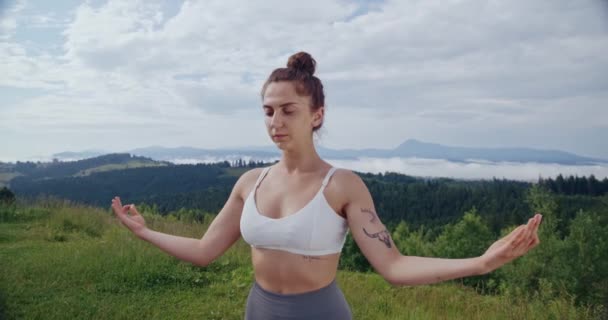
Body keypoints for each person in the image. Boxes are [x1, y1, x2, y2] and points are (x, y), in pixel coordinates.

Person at [111, 52, 542, 319]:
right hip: (258, 310)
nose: (275, 122)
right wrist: (145, 232)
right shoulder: (249, 182)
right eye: (267, 111)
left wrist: (481, 263)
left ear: (316, 114)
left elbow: (393, 267)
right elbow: (205, 251)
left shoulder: (342, 186)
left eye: (288, 110)